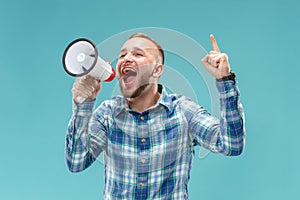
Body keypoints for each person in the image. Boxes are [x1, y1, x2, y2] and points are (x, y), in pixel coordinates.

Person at [65, 32, 246, 199]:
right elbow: (76, 162)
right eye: (122, 55)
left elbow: (232, 144)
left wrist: (225, 80)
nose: (126, 59)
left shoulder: (183, 111)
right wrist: (83, 106)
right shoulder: (108, 114)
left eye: (138, 54)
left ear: (157, 70)